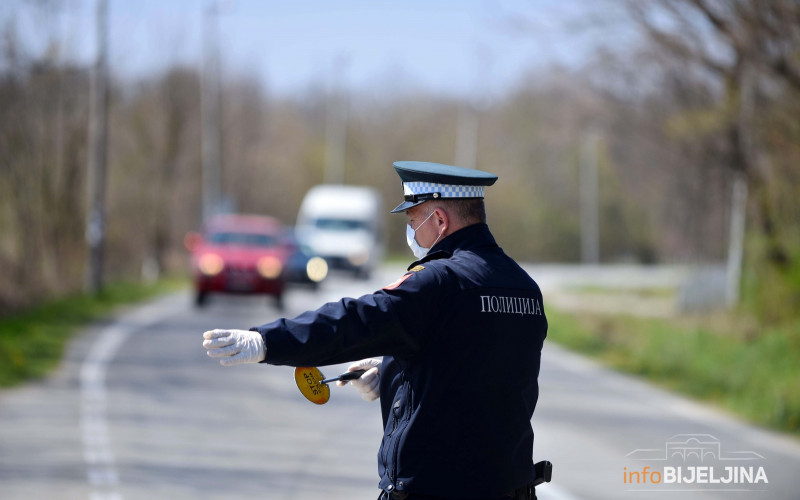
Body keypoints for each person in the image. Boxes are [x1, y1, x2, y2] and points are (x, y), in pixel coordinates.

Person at [202, 161, 548, 500]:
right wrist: (391, 370)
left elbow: (354, 321)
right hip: (510, 488)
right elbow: (474, 365)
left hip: (436, 488)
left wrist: (267, 341)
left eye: (413, 219)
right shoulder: (523, 286)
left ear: (439, 220)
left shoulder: (438, 281)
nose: (411, 231)